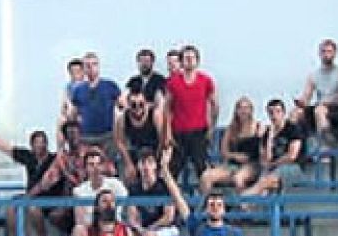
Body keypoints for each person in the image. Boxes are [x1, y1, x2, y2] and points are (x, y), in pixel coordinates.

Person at [0, 122, 64, 236]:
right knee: (11, 206)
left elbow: (48, 181)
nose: (40, 145)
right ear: (32, 145)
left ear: (47, 143)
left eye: (42, 142)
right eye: (37, 143)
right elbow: (3, 146)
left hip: (49, 199)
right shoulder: (28, 157)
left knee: (33, 208)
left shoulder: (54, 159)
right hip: (31, 197)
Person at [162, 45, 218, 189]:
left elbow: (214, 104)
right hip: (179, 132)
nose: (189, 61)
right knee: (173, 170)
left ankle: (207, 202)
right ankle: (170, 204)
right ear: (181, 61)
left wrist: (211, 127)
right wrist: (167, 132)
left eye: (192, 58)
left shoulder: (205, 80)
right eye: (186, 58)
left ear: (197, 61)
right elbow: (167, 108)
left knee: (202, 170)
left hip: (199, 132)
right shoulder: (173, 82)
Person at [125, 149, 177, 236]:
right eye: (143, 163)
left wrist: (149, 229)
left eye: (150, 162)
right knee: (129, 235)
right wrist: (139, 229)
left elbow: (169, 217)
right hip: (145, 228)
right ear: (138, 166)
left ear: (155, 165)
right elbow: (132, 216)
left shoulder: (164, 186)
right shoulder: (134, 188)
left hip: (168, 228)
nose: (146, 166)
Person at [246, 99, 310, 197]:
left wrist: (273, 164)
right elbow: (266, 159)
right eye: (271, 112)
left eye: (278, 111)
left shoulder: (293, 129)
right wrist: (270, 138)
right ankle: (246, 206)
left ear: (284, 113)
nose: (274, 115)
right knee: (265, 187)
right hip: (273, 169)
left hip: (293, 168)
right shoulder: (267, 133)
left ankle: (240, 200)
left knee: (265, 182)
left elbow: (291, 156)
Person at [199, 96, 263, 194]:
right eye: (240, 108)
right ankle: (208, 205)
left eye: (246, 108)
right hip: (232, 165)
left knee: (238, 178)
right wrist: (235, 156)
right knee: (206, 176)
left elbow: (262, 149)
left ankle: (244, 207)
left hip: (252, 165)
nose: (243, 111)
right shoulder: (231, 129)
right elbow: (224, 152)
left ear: (251, 110)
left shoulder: (258, 126)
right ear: (236, 111)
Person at [70, 52, 124, 158]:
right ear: (84, 69)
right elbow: (73, 115)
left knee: (110, 168)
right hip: (86, 137)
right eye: (87, 65)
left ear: (98, 66)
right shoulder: (78, 90)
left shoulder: (110, 85)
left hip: (107, 136)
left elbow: (123, 107)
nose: (91, 68)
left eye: (94, 64)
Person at [296, 38, 338, 150]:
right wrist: (300, 102)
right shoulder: (313, 75)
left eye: (329, 51)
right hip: (320, 106)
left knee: (319, 111)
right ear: (319, 54)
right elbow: (306, 97)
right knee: (296, 114)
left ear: (335, 53)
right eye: (324, 51)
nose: (326, 54)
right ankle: (301, 152)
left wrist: (327, 102)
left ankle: (326, 146)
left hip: (336, 108)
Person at [113, 89, 164, 185]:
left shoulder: (155, 114)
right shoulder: (122, 118)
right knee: (123, 164)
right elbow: (119, 141)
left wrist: (160, 161)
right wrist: (128, 163)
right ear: (128, 105)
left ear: (146, 103)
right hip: (136, 150)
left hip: (155, 149)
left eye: (141, 104)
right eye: (133, 105)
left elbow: (163, 139)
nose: (137, 108)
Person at [58, 58, 85, 129]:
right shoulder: (68, 87)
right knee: (61, 121)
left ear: (83, 72)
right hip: (71, 116)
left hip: (85, 116)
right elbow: (64, 107)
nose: (75, 74)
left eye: (78, 71)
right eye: (72, 72)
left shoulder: (88, 86)